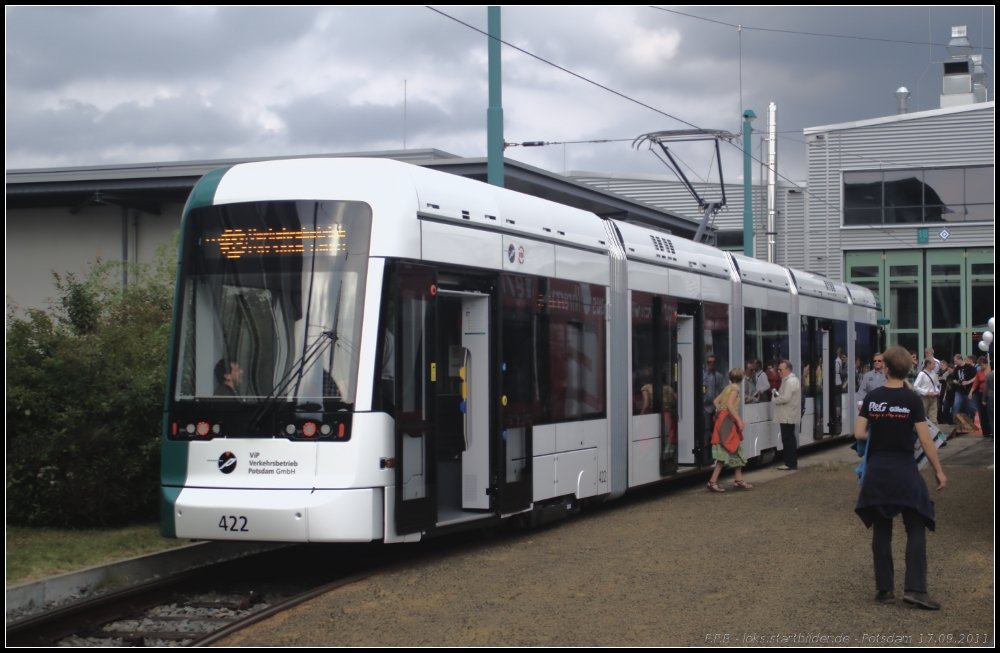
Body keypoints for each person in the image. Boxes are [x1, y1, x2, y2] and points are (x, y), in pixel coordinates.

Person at [854, 346, 946, 610]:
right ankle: (916, 589)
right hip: (905, 471)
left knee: (882, 529)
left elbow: (859, 433)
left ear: (887, 370)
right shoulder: (912, 400)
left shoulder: (873, 398)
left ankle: (885, 590)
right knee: (916, 526)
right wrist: (939, 471)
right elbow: (926, 440)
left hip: (878, 472)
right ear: (908, 369)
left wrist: (880, 430)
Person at [707, 368, 752, 492]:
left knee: (734, 448)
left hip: (722, 419)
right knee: (728, 448)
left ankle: (738, 479)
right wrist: (737, 419)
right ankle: (713, 481)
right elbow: (730, 404)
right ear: (741, 378)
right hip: (728, 421)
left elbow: (716, 401)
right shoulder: (735, 388)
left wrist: (720, 411)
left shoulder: (727, 387)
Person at [772, 360, 802, 471]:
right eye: (778, 369)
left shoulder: (789, 382)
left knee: (787, 439)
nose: (778, 371)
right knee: (789, 438)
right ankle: (791, 462)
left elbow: (785, 398)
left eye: (780, 369)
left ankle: (790, 463)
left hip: (787, 415)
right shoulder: (793, 380)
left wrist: (774, 399)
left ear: (788, 370)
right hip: (789, 414)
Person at [951, 354, 978, 429]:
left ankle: (974, 420)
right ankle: (955, 423)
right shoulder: (956, 369)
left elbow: (976, 376)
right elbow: (954, 378)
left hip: (968, 390)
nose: (955, 363)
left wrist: (968, 382)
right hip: (960, 390)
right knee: (956, 405)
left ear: (960, 359)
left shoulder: (969, 367)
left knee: (972, 407)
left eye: (956, 361)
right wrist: (955, 381)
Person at [913, 358, 941, 425]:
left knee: (933, 416)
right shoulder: (921, 374)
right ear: (928, 364)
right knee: (923, 415)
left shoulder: (934, 373)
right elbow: (915, 386)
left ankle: (935, 432)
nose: (934, 366)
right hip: (924, 397)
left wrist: (937, 390)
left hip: (933, 397)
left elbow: (934, 385)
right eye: (933, 364)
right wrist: (926, 392)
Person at [703, 355, 726, 434]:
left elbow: (723, 391)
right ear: (707, 363)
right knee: (706, 429)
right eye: (709, 362)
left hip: (717, 407)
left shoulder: (719, 376)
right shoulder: (703, 376)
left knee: (716, 428)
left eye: (713, 362)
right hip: (706, 407)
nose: (711, 364)